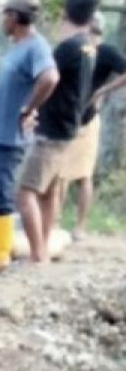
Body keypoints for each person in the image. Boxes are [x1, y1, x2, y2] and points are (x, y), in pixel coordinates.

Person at [0, 0, 56, 277]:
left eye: (5, 14)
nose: (2, 20)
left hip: (10, 137)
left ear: (15, 17)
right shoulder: (16, 48)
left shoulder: (36, 47)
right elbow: (0, 97)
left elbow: (50, 78)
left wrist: (29, 108)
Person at [17, 0, 97, 265]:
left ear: (65, 11)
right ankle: (46, 245)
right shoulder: (88, 47)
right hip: (69, 129)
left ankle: (38, 254)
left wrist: (28, 108)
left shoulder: (67, 49)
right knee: (50, 191)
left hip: (52, 131)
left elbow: (45, 78)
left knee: (25, 192)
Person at [61, 14, 126, 239]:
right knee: (60, 174)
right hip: (69, 116)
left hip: (88, 117)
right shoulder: (77, 50)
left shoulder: (106, 51)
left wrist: (103, 91)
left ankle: (80, 225)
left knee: (83, 174)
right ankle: (54, 222)